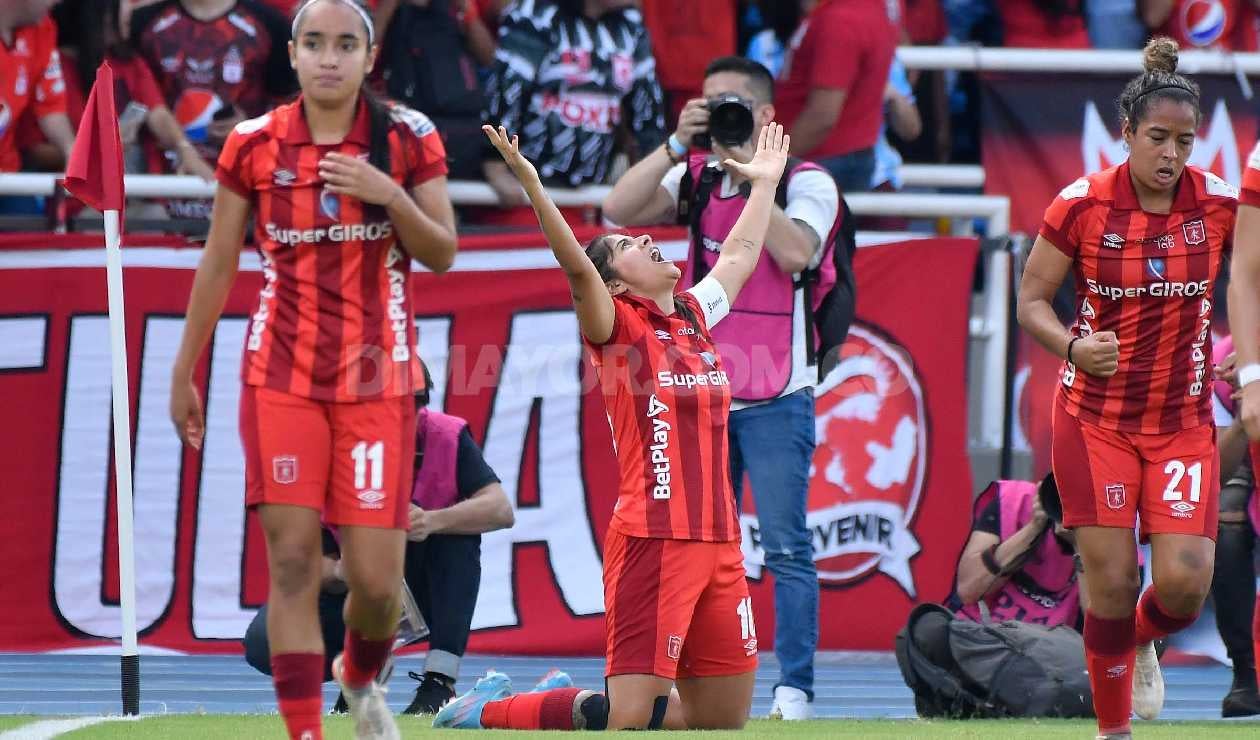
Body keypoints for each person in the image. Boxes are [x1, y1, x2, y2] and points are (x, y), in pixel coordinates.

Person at [431, 121, 790, 731]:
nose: (648, 241)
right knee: (631, 722)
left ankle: (574, 696)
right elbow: (577, 270)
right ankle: (486, 711)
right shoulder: (616, 326)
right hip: (654, 542)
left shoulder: (693, 317)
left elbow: (740, 254)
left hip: (720, 543)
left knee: (717, 722)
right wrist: (533, 187)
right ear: (615, 282)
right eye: (628, 245)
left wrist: (765, 184)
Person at [167, 0, 457, 737]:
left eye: (346, 45)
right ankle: (306, 733)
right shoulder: (254, 143)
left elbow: (443, 252)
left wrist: (388, 196)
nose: (330, 58)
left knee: (375, 588)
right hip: (280, 379)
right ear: (293, 55)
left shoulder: (406, 136)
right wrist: (183, 368)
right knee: (294, 566)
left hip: (377, 385)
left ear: (368, 57)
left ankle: (359, 678)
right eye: (315, 44)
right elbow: (220, 260)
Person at [601, 55, 840, 721]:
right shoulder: (695, 173)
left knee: (787, 545)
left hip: (776, 390)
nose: (722, 115)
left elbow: (797, 255)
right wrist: (680, 143)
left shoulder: (810, 181)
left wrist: (754, 177)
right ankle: (674, 681)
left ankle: (794, 690)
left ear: (768, 116)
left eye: (733, 105)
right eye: (711, 104)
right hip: (698, 390)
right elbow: (616, 209)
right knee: (701, 547)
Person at [1017, 37, 1236, 740]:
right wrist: (1074, 346)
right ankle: (1114, 732)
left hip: (1180, 421)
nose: (1172, 155)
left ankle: (1141, 638)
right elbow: (1031, 303)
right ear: (1127, 134)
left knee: (1183, 584)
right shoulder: (1079, 207)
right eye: (1158, 138)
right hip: (1094, 420)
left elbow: (1255, 276)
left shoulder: (1223, 206)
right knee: (1108, 583)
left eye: (1186, 141)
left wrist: (1250, 357)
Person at [243, 368, 515, 716]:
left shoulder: (446, 436)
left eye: (408, 407)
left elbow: (500, 508)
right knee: (264, 643)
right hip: (352, 594)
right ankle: (362, 672)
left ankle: (438, 683)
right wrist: (344, 569)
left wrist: (432, 520)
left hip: (423, 585)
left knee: (459, 531)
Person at [479, 0, 665, 208]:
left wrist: (654, 173)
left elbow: (648, 110)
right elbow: (505, 89)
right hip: (527, 193)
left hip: (592, 194)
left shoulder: (630, 24)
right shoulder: (536, 13)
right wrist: (494, 164)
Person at [129, 0, 297, 218]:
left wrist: (251, 129)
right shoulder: (142, 22)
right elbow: (128, 101)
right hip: (158, 199)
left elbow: (291, 111)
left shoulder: (270, 23)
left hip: (245, 200)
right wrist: (180, 146)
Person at [54, 0, 215, 179]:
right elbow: (35, 150)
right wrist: (95, 150)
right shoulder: (56, 69)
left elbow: (158, 112)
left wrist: (185, 149)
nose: (130, 8)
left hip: (138, 191)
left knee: (155, 209)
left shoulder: (128, 63)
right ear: (98, 17)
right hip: (82, 197)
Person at [774, 0, 898, 194]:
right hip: (836, 155)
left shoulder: (841, 20)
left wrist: (773, 161)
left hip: (823, 158)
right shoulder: (867, 9)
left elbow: (822, 117)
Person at [950, 474, 1086, 631]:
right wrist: (1033, 528)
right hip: (983, 634)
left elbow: (1100, 626)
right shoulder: (1014, 501)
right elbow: (968, 590)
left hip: (1050, 649)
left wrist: (1079, 545)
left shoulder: (1107, 534)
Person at [1206, 336, 1260, 717]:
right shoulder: (1222, 360)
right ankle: (1247, 673)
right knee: (1224, 522)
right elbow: (1217, 473)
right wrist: (1246, 416)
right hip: (1248, 454)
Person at [0, 0, 76, 213]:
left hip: (7, 175)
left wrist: (72, 151)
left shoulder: (44, 28)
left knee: (38, 236)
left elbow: (51, 107)